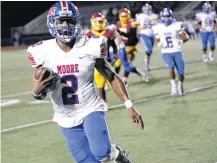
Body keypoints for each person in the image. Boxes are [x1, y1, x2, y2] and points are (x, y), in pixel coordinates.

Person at [27, 2, 144, 163]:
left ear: (77, 22)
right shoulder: (41, 52)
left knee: (102, 153)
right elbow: (40, 95)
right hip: (64, 115)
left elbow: (111, 76)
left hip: (90, 108)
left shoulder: (90, 45)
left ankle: (116, 154)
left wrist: (129, 105)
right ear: (52, 23)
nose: (65, 25)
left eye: (69, 21)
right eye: (60, 21)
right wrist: (35, 92)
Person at [153, 8, 189, 96]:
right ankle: (173, 86)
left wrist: (180, 41)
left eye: (168, 16)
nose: (166, 18)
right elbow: (157, 40)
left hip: (177, 51)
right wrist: (158, 44)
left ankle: (180, 85)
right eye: (165, 16)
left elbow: (185, 37)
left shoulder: (177, 25)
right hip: (166, 51)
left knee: (181, 71)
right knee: (171, 67)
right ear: (161, 17)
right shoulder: (158, 27)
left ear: (171, 17)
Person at [136, 3, 158, 71]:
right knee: (149, 49)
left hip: (152, 34)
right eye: (146, 10)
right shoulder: (140, 16)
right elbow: (138, 26)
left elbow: (156, 25)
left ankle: (146, 64)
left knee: (149, 51)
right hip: (144, 34)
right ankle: (145, 64)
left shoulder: (154, 16)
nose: (147, 11)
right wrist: (140, 28)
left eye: (148, 9)